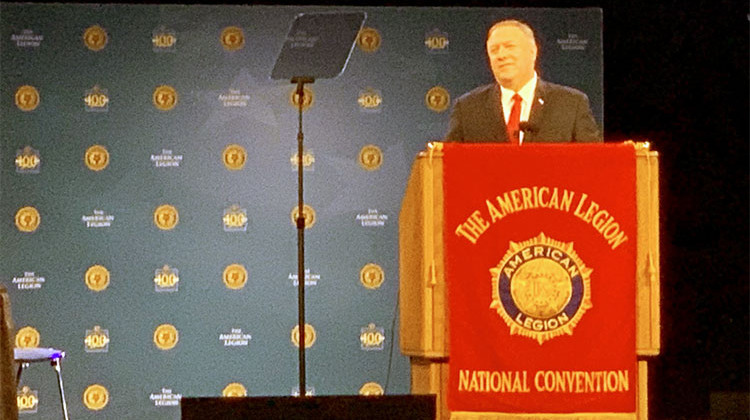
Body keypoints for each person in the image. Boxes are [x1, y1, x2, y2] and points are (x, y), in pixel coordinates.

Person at [445, 19, 601, 143]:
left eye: (509, 46)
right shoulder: (467, 108)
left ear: (533, 51)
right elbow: (446, 168)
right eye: (494, 50)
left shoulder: (571, 104)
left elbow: (594, 163)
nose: (501, 55)